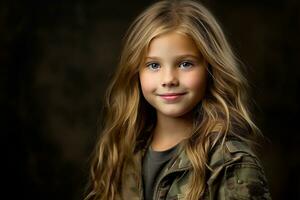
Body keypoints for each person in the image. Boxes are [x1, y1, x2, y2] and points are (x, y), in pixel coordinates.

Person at [85, 0, 271, 199]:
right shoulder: (124, 150)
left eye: (185, 64)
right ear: (135, 72)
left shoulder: (229, 163)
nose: (168, 80)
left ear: (211, 68)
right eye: (154, 65)